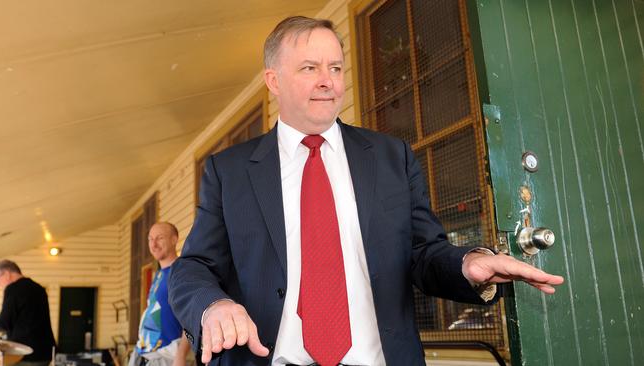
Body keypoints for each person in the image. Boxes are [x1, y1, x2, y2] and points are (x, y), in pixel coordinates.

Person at [168, 16, 565, 366]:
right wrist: (212, 306)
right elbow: (192, 268)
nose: (328, 81)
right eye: (309, 67)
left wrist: (468, 265)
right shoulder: (230, 171)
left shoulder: (392, 157)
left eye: (336, 67)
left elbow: (424, 254)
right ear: (273, 80)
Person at [129, 222, 191, 366]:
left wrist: (181, 356)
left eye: (160, 238)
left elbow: (190, 317)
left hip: (166, 357)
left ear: (174, 239)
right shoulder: (159, 275)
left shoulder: (181, 272)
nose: (153, 244)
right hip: (143, 353)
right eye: (150, 239)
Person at [0, 260, 56, 366]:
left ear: (7, 274)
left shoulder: (13, 289)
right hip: (44, 351)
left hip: (25, 353)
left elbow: (4, 324)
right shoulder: (38, 288)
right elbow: (26, 317)